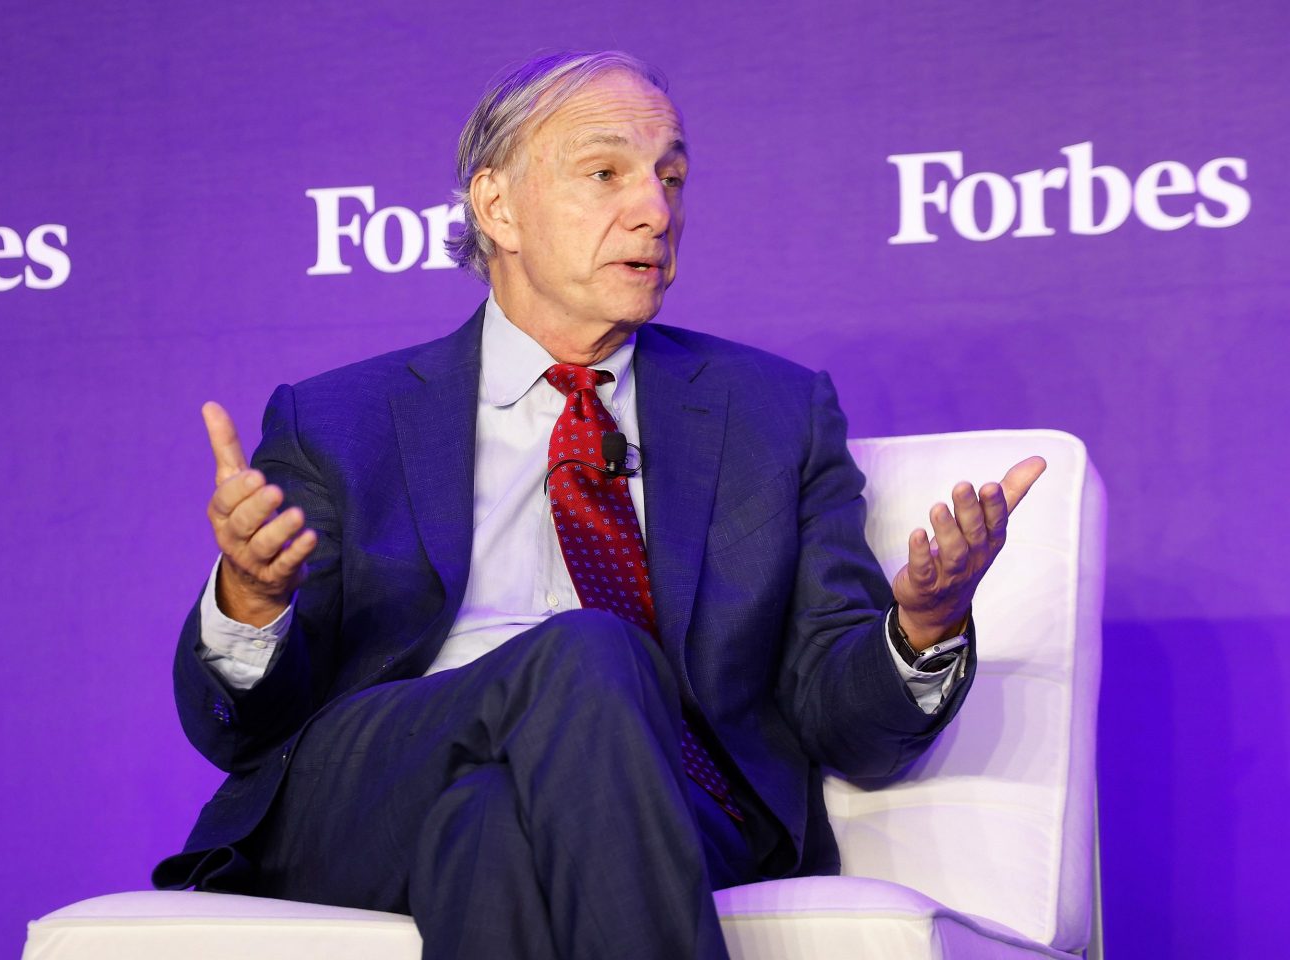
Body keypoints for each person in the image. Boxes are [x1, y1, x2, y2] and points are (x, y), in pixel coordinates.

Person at [153, 51, 1045, 960]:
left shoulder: (773, 414)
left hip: (671, 793)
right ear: (497, 207)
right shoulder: (341, 419)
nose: (655, 210)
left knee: (489, 830)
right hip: (373, 785)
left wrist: (923, 628)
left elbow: (840, 718)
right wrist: (251, 603)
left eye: (672, 178)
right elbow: (245, 732)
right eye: (606, 172)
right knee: (587, 650)